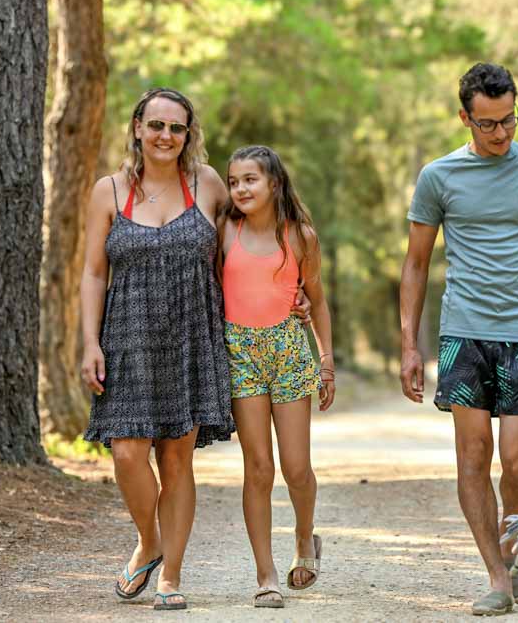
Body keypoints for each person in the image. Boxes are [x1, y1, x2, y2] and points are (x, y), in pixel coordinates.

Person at [80, 89, 309, 611]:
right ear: (137, 128)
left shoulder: (206, 183)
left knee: (176, 458)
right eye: (156, 125)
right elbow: (93, 273)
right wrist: (90, 342)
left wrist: (291, 284)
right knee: (127, 453)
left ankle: (171, 577)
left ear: (188, 134)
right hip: (127, 338)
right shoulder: (108, 191)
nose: (166, 136)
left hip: (192, 335)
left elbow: (256, 228)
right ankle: (149, 541)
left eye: (176, 128)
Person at [399, 62, 518, 616]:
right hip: (462, 334)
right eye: (488, 123)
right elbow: (416, 265)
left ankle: (512, 539)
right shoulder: (438, 177)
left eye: (509, 119)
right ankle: (497, 573)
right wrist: (409, 345)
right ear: (465, 118)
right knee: (472, 455)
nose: (501, 132)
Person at [218, 145, 335, 609]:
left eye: (250, 179)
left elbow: (317, 301)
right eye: (234, 181)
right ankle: (266, 575)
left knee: (296, 467)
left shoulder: (300, 237)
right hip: (240, 353)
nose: (240, 189)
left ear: (274, 183)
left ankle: (305, 537)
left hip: (288, 351)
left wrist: (326, 361)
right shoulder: (225, 231)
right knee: (259, 468)